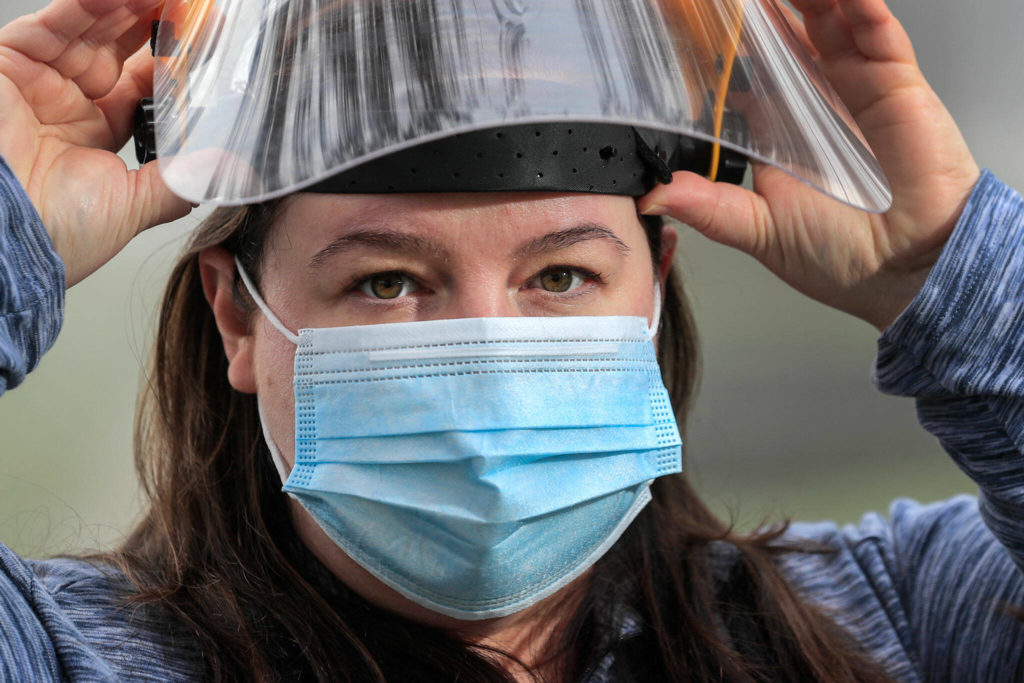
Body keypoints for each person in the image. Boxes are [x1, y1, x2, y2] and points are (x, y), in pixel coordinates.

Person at [1, 0, 1022, 681]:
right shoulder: (57, 653)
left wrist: (949, 270)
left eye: (559, 275)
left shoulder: (896, 621)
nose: (486, 343)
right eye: (386, 280)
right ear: (239, 318)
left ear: (653, 289)